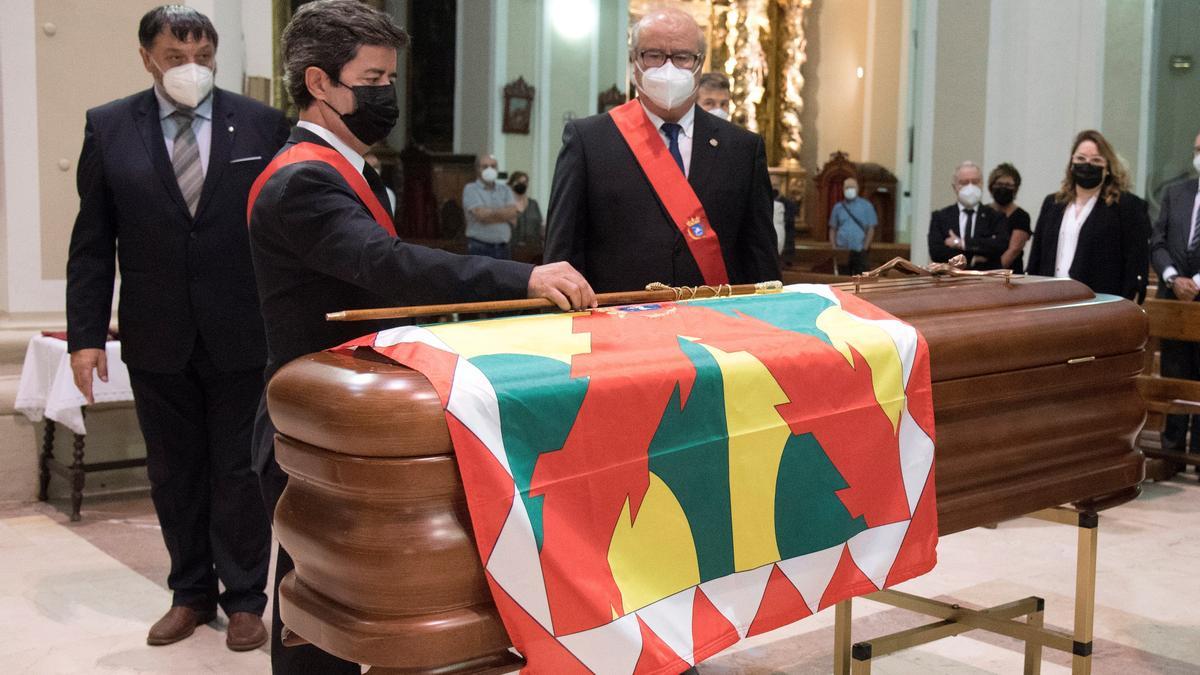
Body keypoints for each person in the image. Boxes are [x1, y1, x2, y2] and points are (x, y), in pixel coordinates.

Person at [247, 2, 595, 671]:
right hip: (317, 421)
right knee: (323, 609)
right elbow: (388, 266)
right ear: (320, 83)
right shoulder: (304, 181)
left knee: (347, 597)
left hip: (343, 416)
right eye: (374, 79)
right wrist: (520, 280)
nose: (388, 96)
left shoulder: (342, 168)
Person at [65, 5, 288, 652]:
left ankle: (246, 599)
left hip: (243, 331)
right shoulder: (109, 128)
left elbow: (280, 233)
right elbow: (91, 242)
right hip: (156, 332)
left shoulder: (260, 123)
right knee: (174, 471)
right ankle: (190, 592)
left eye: (202, 57)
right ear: (147, 58)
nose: (191, 69)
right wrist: (85, 335)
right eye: (175, 57)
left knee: (241, 470)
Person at [544, 7, 780, 293]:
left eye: (682, 57)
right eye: (654, 55)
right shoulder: (589, 140)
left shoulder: (742, 148)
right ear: (634, 62)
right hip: (619, 325)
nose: (668, 67)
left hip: (714, 326)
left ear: (699, 64)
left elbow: (759, 257)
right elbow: (562, 259)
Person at [1027, 129, 1150, 302]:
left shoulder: (1126, 206)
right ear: (1071, 164)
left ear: (1107, 168)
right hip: (1051, 300)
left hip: (1099, 302)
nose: (1087, 165)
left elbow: (1135, 263)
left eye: (1096, 160)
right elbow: (1036, 258)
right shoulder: (1053, 204)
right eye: (1081, 159)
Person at [1149, 130, 1200, 458]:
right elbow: (1158, 241)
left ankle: (1198, 452)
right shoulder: (1175, 193)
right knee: (1174, 373)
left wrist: (1196, 282)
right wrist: (1172, 277)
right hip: (1173, 300)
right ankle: (1171, 451)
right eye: (1197, 149)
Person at [927, 161, 1008, 269]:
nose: (970, 187)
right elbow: (936, 252)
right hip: (951, 280)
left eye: (975, 182)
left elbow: (999, 246)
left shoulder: (995, 216)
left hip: (986, 279)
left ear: (982, 184)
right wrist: (972, 258)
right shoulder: (940, 217)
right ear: (954, 187)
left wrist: (961, 243)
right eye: (964, 183)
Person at [463, 153, 519, 259]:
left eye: (493, 166)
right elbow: (482, 216)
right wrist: (504, 215)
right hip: (479, 247)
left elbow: (512, 212)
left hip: (503, 248)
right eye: (485, 166)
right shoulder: (470, 189)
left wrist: (490, 213)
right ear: (477, 169)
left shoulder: (505, 189)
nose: (489, 169)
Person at [987, 163, 1031, 273]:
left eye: (1008, 185)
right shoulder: (983, 212)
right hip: (983, 272)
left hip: (1010, 275)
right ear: (991, 186)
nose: (1003, 189)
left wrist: (992, 272)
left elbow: (1014, 250)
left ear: (1015, 189)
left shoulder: (1021, 216)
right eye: (999, 184)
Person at [828, 176, 877, 275]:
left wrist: (865, 247)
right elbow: (833, 229)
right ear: (843, 190)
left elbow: (871, 229)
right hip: (842, 250)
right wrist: (834, 247)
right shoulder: (838, 207)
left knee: (861, 280)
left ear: (857, 189)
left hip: (859, 250)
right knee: (843, 279)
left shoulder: (866, 206)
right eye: (847, 188)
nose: (849, 190)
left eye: (852, 187)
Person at [508, 170, 544, 251]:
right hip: (511, 249)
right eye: (518, 182)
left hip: (534, 249)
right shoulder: (506, 205)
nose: (522, 184)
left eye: (524, 182)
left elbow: (540, 226)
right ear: (511, 184)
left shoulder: (533, 204)